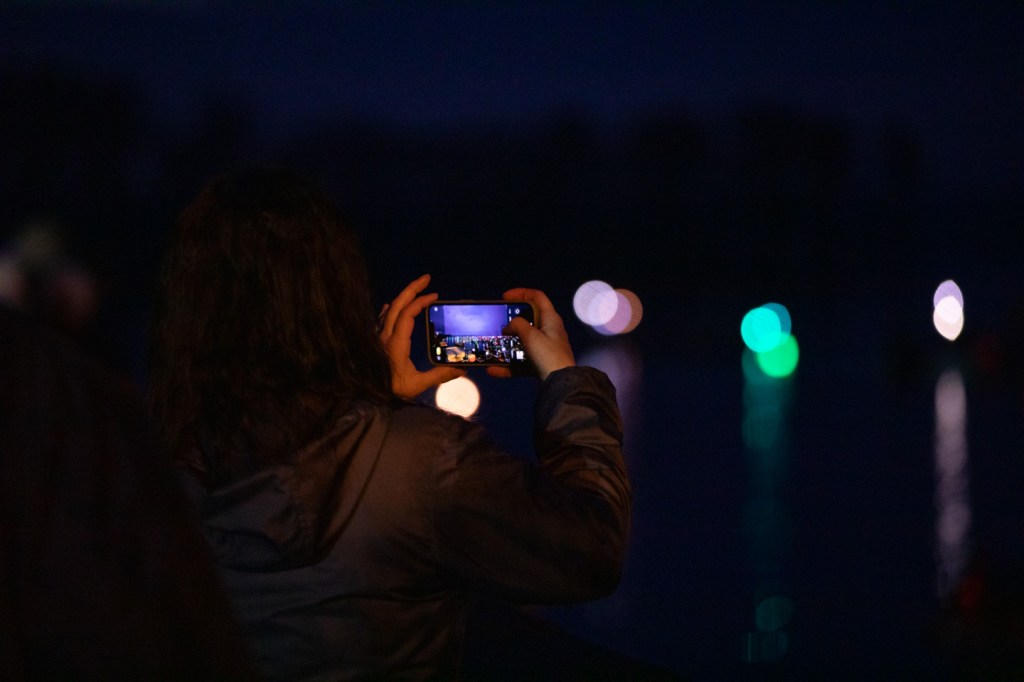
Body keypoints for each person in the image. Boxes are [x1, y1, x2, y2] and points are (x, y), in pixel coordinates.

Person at [148, 168, 631, 681]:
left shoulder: (151, 473)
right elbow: (590, 549)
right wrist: (566, 382)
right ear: (335, 296)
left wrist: (376, 404)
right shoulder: (423, 462)